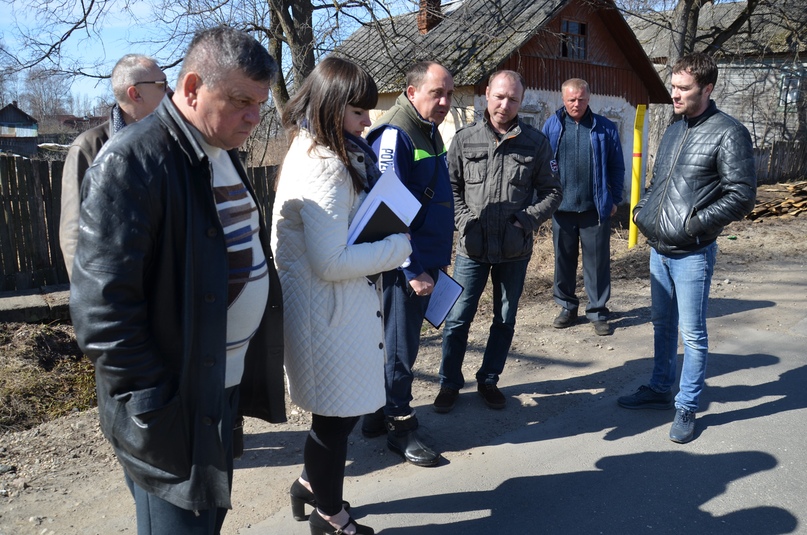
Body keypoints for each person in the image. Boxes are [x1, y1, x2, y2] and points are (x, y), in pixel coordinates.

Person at [69, 26, 285, 534]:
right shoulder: (131, 163)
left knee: (208, 520)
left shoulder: (220, 149)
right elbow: (102, 314)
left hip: (216, 391)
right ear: (191, 89)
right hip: (172, 406)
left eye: (260, 104)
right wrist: (155, 405)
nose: (255, 118)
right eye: (241, 101)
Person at [272, 56, 411, 535]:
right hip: (329, 315)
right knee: (334, 423)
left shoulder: (313, 149)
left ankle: (308, 487)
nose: (367, 121)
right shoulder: (326, 166)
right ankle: (330, 517)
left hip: (327, 312)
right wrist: (396, 247)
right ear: (331, 107)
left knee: (336, 418)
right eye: (358, 112)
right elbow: (330, 262)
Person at [617, 53, 756, 444]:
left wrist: (692, 225)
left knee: (692, 334)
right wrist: (643, 211)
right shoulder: (675, 127)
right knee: (662, 325)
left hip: (693, 252)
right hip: (659, 249)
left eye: (683, 88)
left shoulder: (729, 132)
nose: (674, 95)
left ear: (707, 89)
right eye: (673, 86)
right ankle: (660, 388)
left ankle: (687, 404)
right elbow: (658, 182)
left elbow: (742, 196)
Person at [433, 70, 562, 413]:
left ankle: (489, 379)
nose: (505, 105)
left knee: (504, 319)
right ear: (487, 93)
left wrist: (526, 220)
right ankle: (449, 382)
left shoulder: (535, 143)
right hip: (472, 248)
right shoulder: (464, 139)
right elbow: (450, 188)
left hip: (514, 250)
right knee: (457, 318)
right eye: (500, 96)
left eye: (513, 99)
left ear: (522, 101)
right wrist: (464, 222)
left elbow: (552, 192)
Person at [361, 61, 455, 467]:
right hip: (405, 267)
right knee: (399, 347)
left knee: (400, 343)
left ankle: (375, 413)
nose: (445, 101)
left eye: (449, 94)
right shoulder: (395, 133)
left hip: (426, 258)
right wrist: (411, 267)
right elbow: (385, 207)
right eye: (437, 93)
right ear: (412, 92)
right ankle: (400, 425)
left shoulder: (427, 128)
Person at [59, 54, 168, 280]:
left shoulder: (169, 143)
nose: (170, 91)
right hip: (115, 285)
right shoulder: (89, 147)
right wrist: (90, 292)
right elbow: (73, 232)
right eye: (162, 85)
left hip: (164, 286)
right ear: (135, 94)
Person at [542, 78, 625, 336]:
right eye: (571, 99)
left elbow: (617, 166)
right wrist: (544, 198)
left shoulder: (604, 127)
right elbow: (542, 164)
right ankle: (567, 307)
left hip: (594, 209)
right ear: (563, 99)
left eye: (580, 99)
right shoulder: (552, 126)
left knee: (597, 264)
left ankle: (598, 311)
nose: (576, 104)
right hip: (562, 210)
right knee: (563, 263)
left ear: (589, 98)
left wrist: (614, 199)